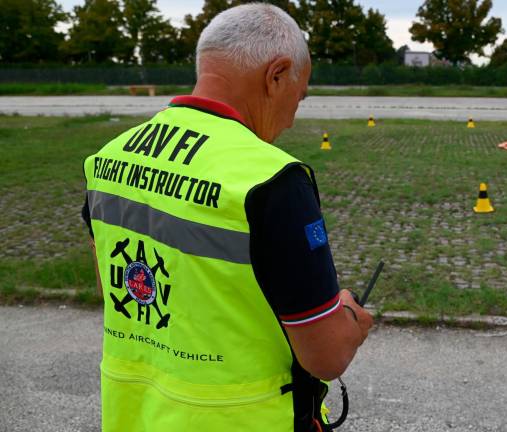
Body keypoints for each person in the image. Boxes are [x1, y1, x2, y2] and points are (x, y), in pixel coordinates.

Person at [81, 4, 373, 431]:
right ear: (277, 75)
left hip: (135, 415)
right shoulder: (272, 180)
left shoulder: (107, 159)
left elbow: (117, 291)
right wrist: (349, 318)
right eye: (300, 94)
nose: (293, 117)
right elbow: (325, 357)